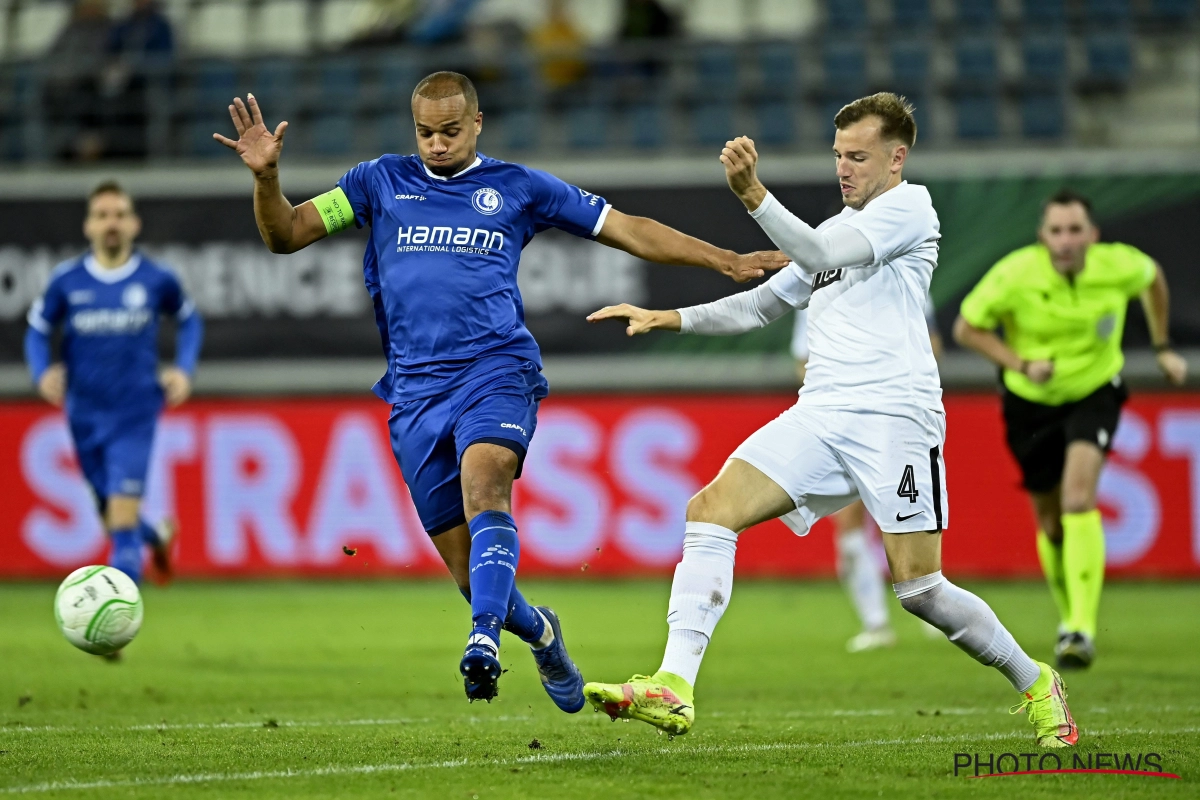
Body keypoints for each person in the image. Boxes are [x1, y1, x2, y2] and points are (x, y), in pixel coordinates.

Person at [213, 72, 787, 711]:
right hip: (414, 392)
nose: (436, 144)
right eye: (425, 133)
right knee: (470, 575)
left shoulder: (518, 188)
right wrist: (266, 179)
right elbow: (285, 235)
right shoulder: (376, 182)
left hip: (496, 367)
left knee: (486, 483)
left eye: (451, 132)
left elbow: (626, 227)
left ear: (477, 124)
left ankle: (482, 640)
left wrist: (727, 262)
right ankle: (539, 631)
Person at [583, 93, 1078, 748]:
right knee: (709, 509)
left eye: (859, 156)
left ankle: (1038, 682)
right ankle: (675, 685)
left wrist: (753, 194)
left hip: (895, 416)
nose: (845, 167)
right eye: (839, 155)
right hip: (823, 412)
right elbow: (762, 305)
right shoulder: (834, 231)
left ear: (896, 158)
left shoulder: (909, 208)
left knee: (922, 590)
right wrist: (670, 318)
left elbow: (814, 256)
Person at [953, 189, 1187, 670]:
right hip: (1030, 403)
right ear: (1042, 237)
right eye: (1056, 231)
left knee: (1080, 497)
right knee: (1051, 521)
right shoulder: (1014, 275)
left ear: (1092, 235)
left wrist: (1162, 344)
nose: (1066, 241)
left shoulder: (1118, 265)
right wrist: (1018, 362)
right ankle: (1068, 615)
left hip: (1094, 390)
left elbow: (1154, 280)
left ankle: (1080, 626)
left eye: (1075, 230)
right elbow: (966, 328)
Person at [25, 181, 202, 592]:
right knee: (109, 513)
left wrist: (184, 369)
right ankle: (157, 537)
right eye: (102, 215)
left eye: (119, 215)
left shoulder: (156, 279)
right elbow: (37, 330)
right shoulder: (66, 281)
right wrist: (41, 371)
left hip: (135, 411)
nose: (111, 223)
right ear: (88, 226)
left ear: (134, 224)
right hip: (83, 413)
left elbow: (190, 320)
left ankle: (115, 626)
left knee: (119, 526)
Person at [792, 294, 944, 653]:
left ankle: (936, 610)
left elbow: (931, 343)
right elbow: (804, 360)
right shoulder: (820, 289)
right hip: (844, 419)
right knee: (849, 523)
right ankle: (876, 624)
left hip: (898, 418)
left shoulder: (905, 275)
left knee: (912, 516)